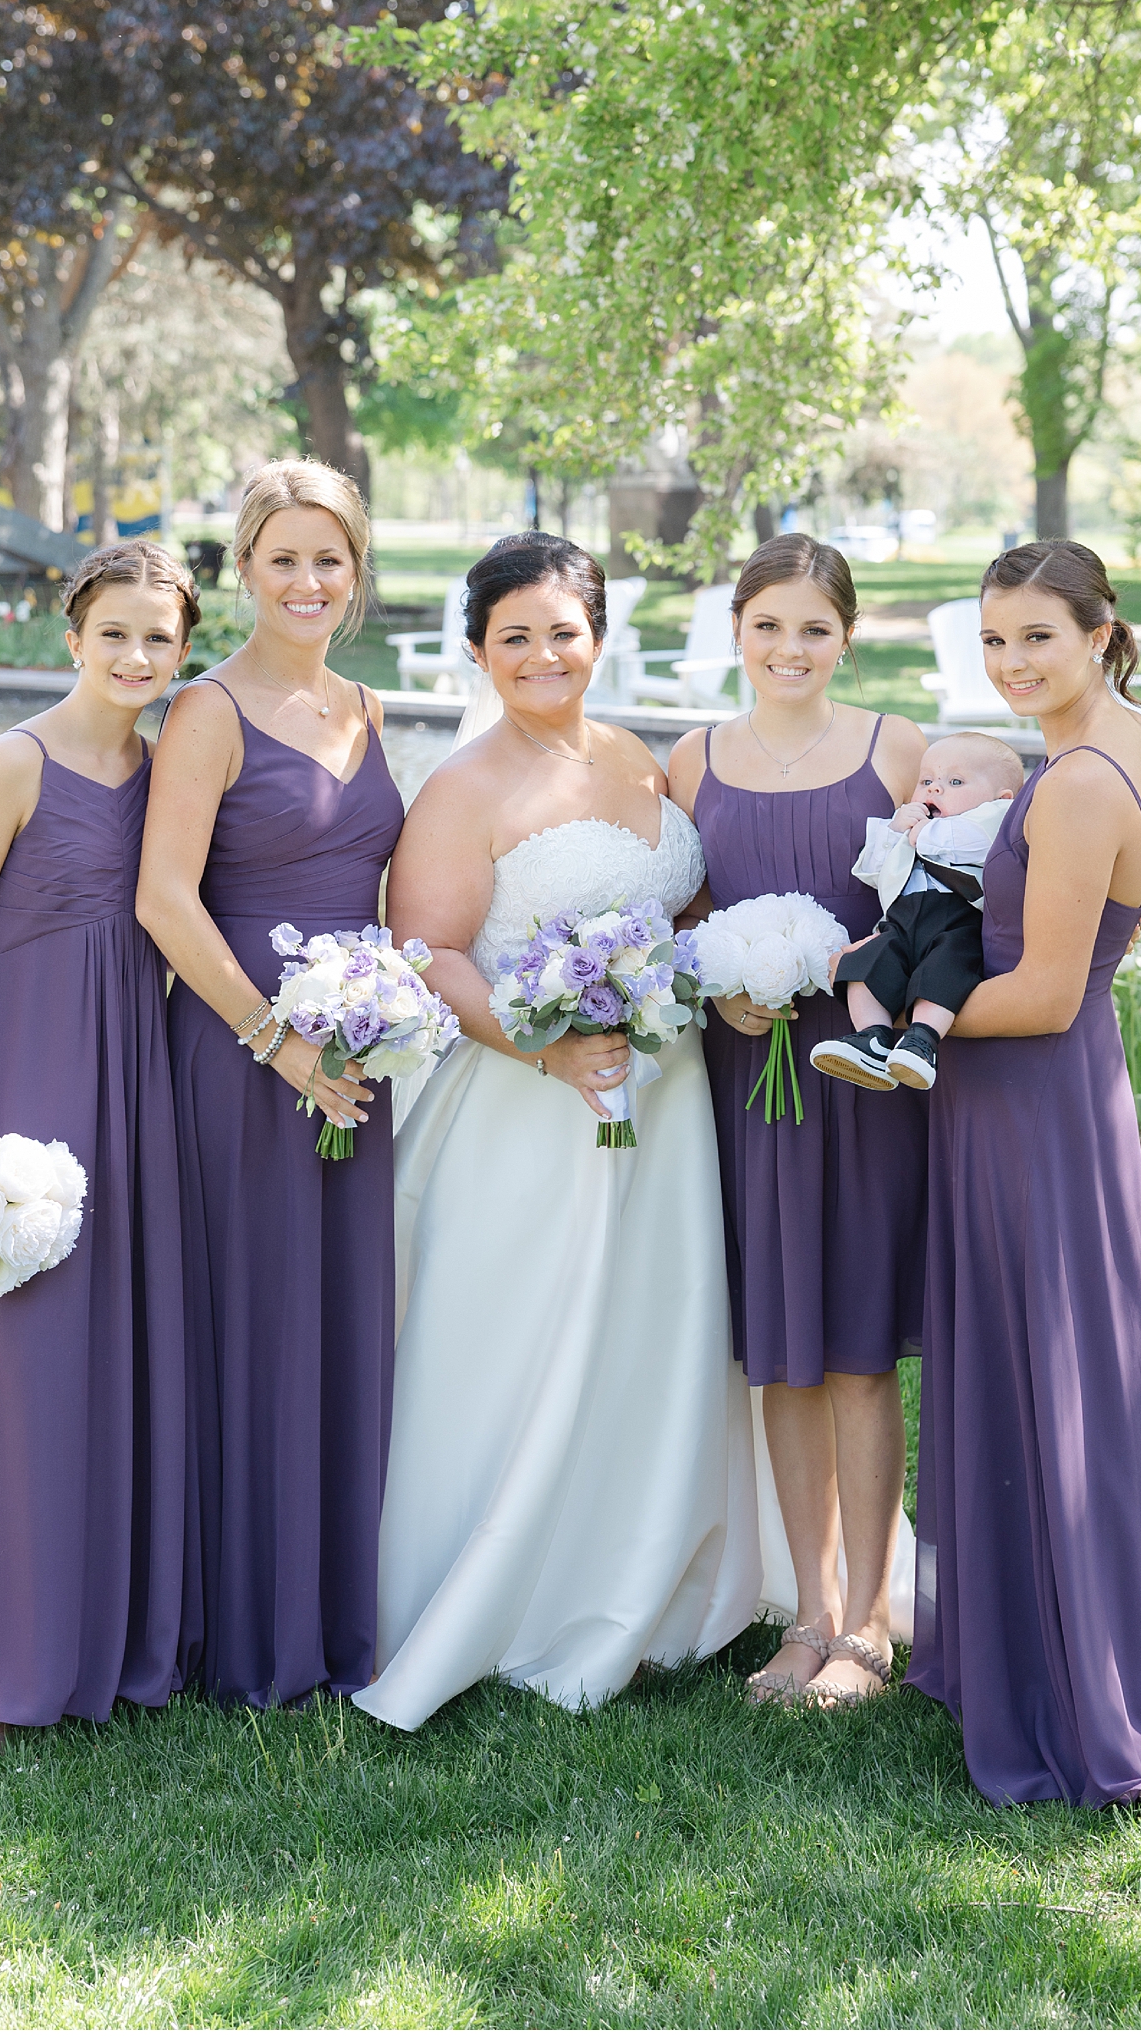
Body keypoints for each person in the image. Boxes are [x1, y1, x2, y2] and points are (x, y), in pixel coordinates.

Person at [354, 533, 777, 1732]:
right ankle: (526, 1589)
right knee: (534, 1341)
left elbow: (681, 906)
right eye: (515, 635)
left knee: (657, 1332)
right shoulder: (462, 788)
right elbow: (428, 949)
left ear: (596, 636)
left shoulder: (636, 757)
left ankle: (658, 1571)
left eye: (564, 631)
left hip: (665, 1100)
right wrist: (543, 1046)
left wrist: (726, 970)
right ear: (480, 650)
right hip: (529, 1112)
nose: (543, 654)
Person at [907, 539, 1141, 1808]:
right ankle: (1042, 1646)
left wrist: (883, 1016)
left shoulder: (1084, 781)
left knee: (1045, 1368)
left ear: (1100, 630)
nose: (1009, 665)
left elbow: (1042, 994)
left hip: (1029, 1100)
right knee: (1058, 1371)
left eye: (1036, 637)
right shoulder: (1120, 741)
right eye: (992, 642)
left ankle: (1072, 1688)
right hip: (1051, 1099)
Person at [0, 542, 196, 1748]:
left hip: (135, 1082)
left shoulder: (167, 771)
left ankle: (105, 1639)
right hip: (22, 1079)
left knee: (112, 1355)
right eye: (113, 633)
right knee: (15, 1362)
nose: (134, 656)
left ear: (182, 650)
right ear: (73, 636)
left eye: (158, 638)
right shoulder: (15, 761)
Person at [136, 460, 404, 1709]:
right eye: (283, 557)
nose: (307, 580)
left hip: (355, 1061)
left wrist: (383, 1020)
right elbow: (163, 898)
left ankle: (333, 1612)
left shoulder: (369, 707)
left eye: (328, 558)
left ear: (355, 573)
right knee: (253, 1329)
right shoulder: (206, 712)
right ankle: (248, 1631)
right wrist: (274, 1043)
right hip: (243, 1064)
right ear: (242, 567)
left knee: (339, 1328)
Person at [668, 535, 926, 1711]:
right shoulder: (690, 758)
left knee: (856, 1350)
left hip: (853, 1077)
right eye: (768, 626)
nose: (789, 649)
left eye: (813, 629)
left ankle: (870, 1623)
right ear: (737, 630)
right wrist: (712, 977)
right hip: (743, 1071)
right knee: (778, 1351)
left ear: (845, 638)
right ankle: (804, 1611)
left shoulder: (891, 750)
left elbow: (930, 913)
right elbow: (686, 911)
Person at [813, 732, 1023, 1093]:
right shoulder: (914, 827)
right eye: (926, 781)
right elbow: (872, 871)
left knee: (945, 969)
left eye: (955, 781)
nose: (934, 790)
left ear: (1001, 798)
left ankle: (922, 1041)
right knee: (867, 962)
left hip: (956, 921)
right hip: (902, 921)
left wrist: (919, 833)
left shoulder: (996, 822)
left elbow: (956, 841)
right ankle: (872, 1039)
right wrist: (895, 830)